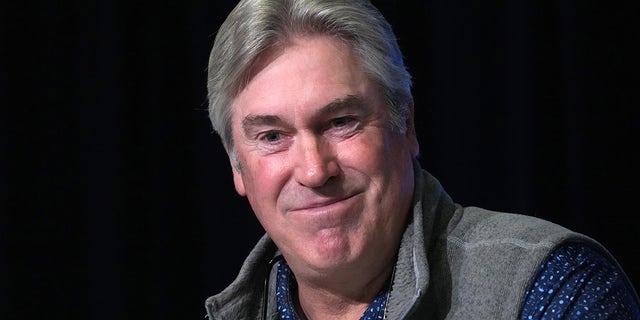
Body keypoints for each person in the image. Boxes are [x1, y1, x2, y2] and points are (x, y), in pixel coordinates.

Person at [203, 0, 640, 319]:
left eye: (341, 122)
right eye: (273, 136)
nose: (315, 171)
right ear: (236, 164)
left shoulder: (549, 286)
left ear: (406, 125)